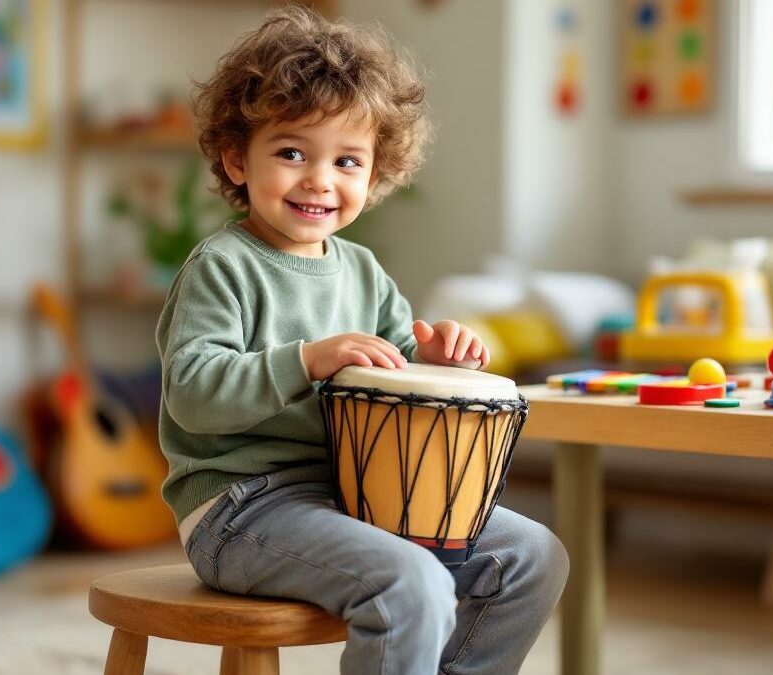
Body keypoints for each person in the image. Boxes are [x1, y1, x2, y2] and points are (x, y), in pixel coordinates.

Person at [156, 7, 568, 673]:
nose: (320, 178)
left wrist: (434, 359)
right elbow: (193, 396)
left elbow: (395, 369)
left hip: (357, 494)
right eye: (292, 152)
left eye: (347, 160)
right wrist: (306, 359)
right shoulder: (222, 265)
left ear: (374, 177)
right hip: (239, 507)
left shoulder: (363, 272)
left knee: (533, 556)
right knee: (412, 582)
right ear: (236, 158)